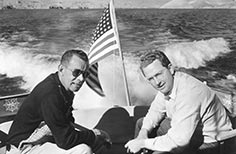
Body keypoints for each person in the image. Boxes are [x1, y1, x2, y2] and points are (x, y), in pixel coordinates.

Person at [125, 49, 232, 154]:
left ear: (170, 69)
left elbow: (179, 142)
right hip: (191, 131)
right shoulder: (169, 84)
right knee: (141, 124)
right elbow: (155, 110)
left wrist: (143, 143)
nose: (157, 82)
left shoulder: (189, 92)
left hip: (211, 143)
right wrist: (143, 134)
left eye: (158, 74)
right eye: (151, 79)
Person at [7, 49, 110, 154]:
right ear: (61, 69)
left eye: (85, 74)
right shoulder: (51, 95)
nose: (81, 79)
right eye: (76, 72)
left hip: (44, 138)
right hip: (23, 146)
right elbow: (65, 141)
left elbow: (67, 124)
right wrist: (93, 134)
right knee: (83, 150)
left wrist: (95, 135)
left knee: (96, 143)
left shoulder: (64, 88)